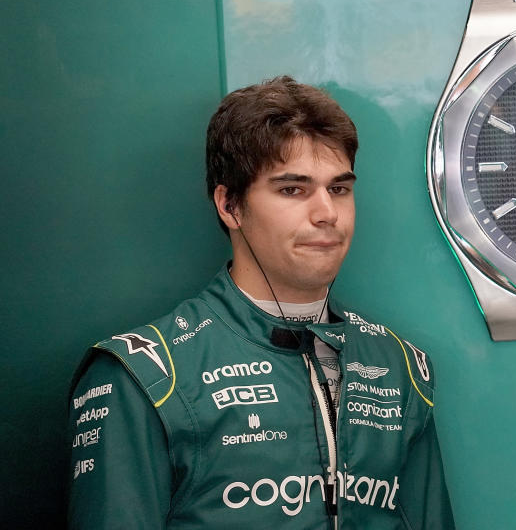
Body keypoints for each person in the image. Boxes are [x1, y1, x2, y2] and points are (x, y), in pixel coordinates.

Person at [68, 76, 455, 529]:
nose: (326, 212)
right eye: (292, 189)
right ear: (229, 205)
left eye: (339, 188)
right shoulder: (145, 375)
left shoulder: (398, 364)